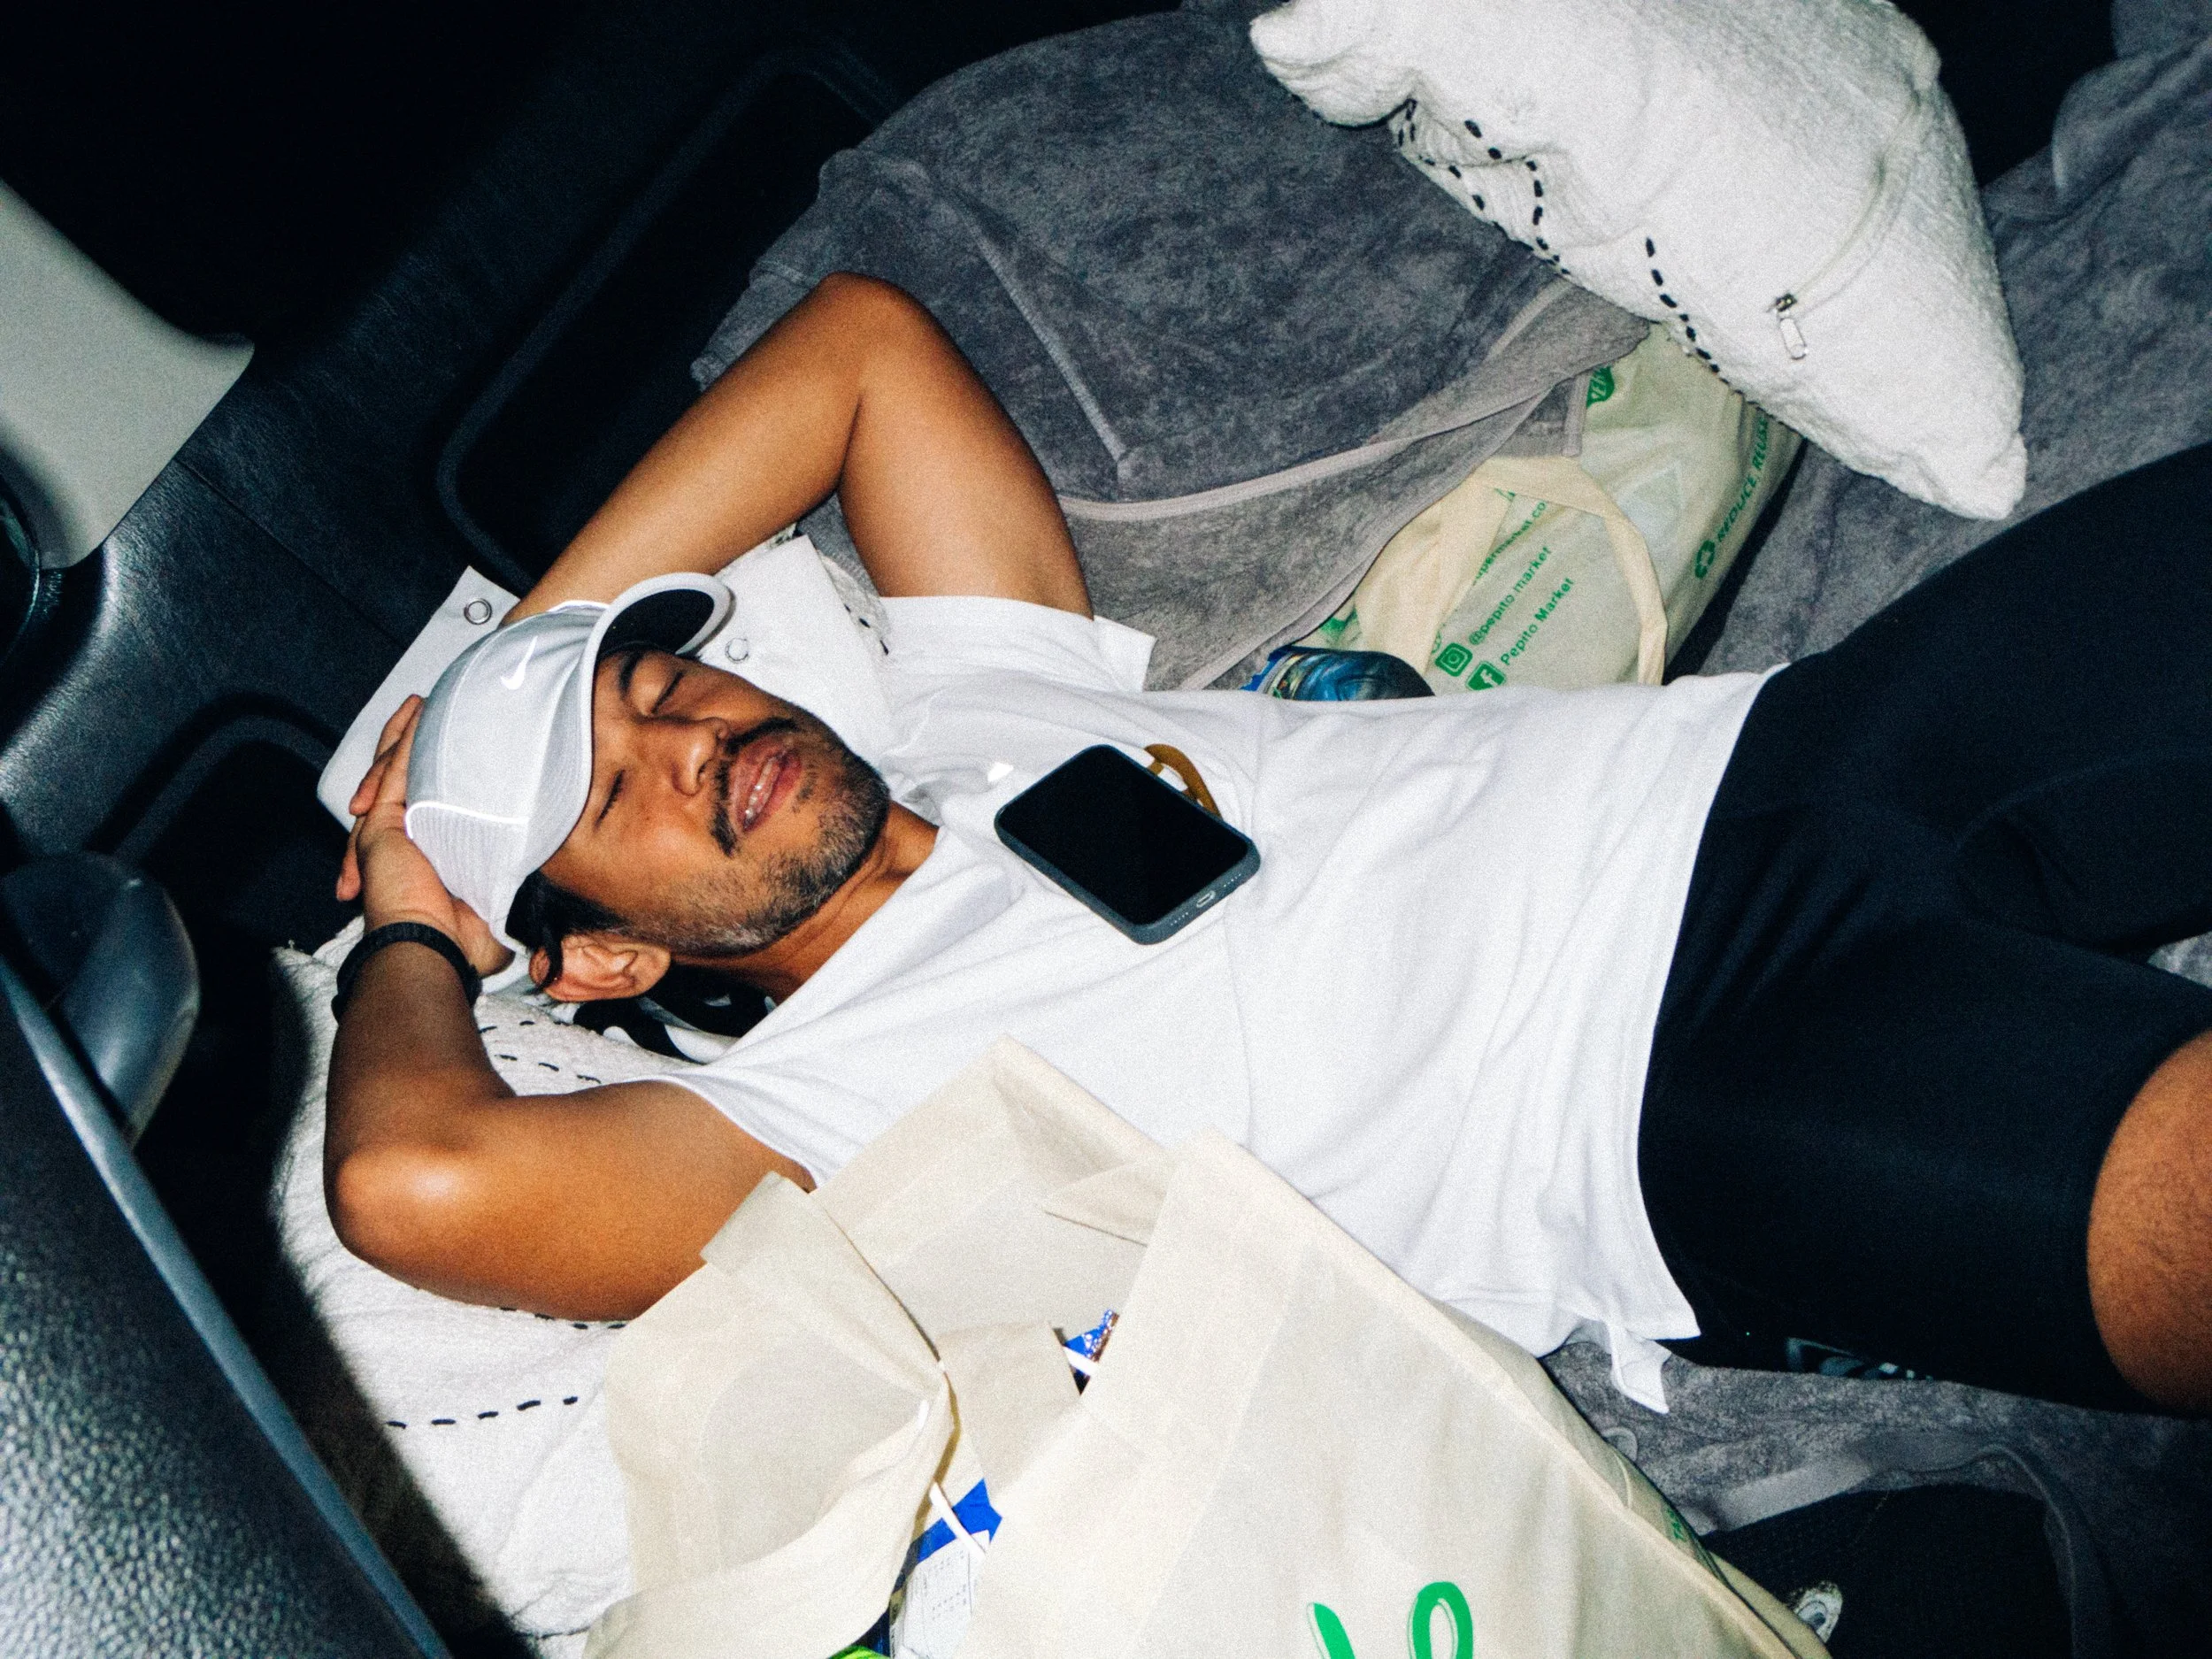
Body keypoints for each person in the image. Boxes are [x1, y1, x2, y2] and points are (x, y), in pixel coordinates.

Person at [330, 273, 2212, 1415]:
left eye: (659, 686)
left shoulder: (981, 704)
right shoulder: (811, 1126)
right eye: (606, 799)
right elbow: (414, 1183)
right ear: (606, 957)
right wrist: (413, 895)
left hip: (1781, 759)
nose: (687, 744)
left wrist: (494, 679)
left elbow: (859, 347)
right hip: (1677, 1107)